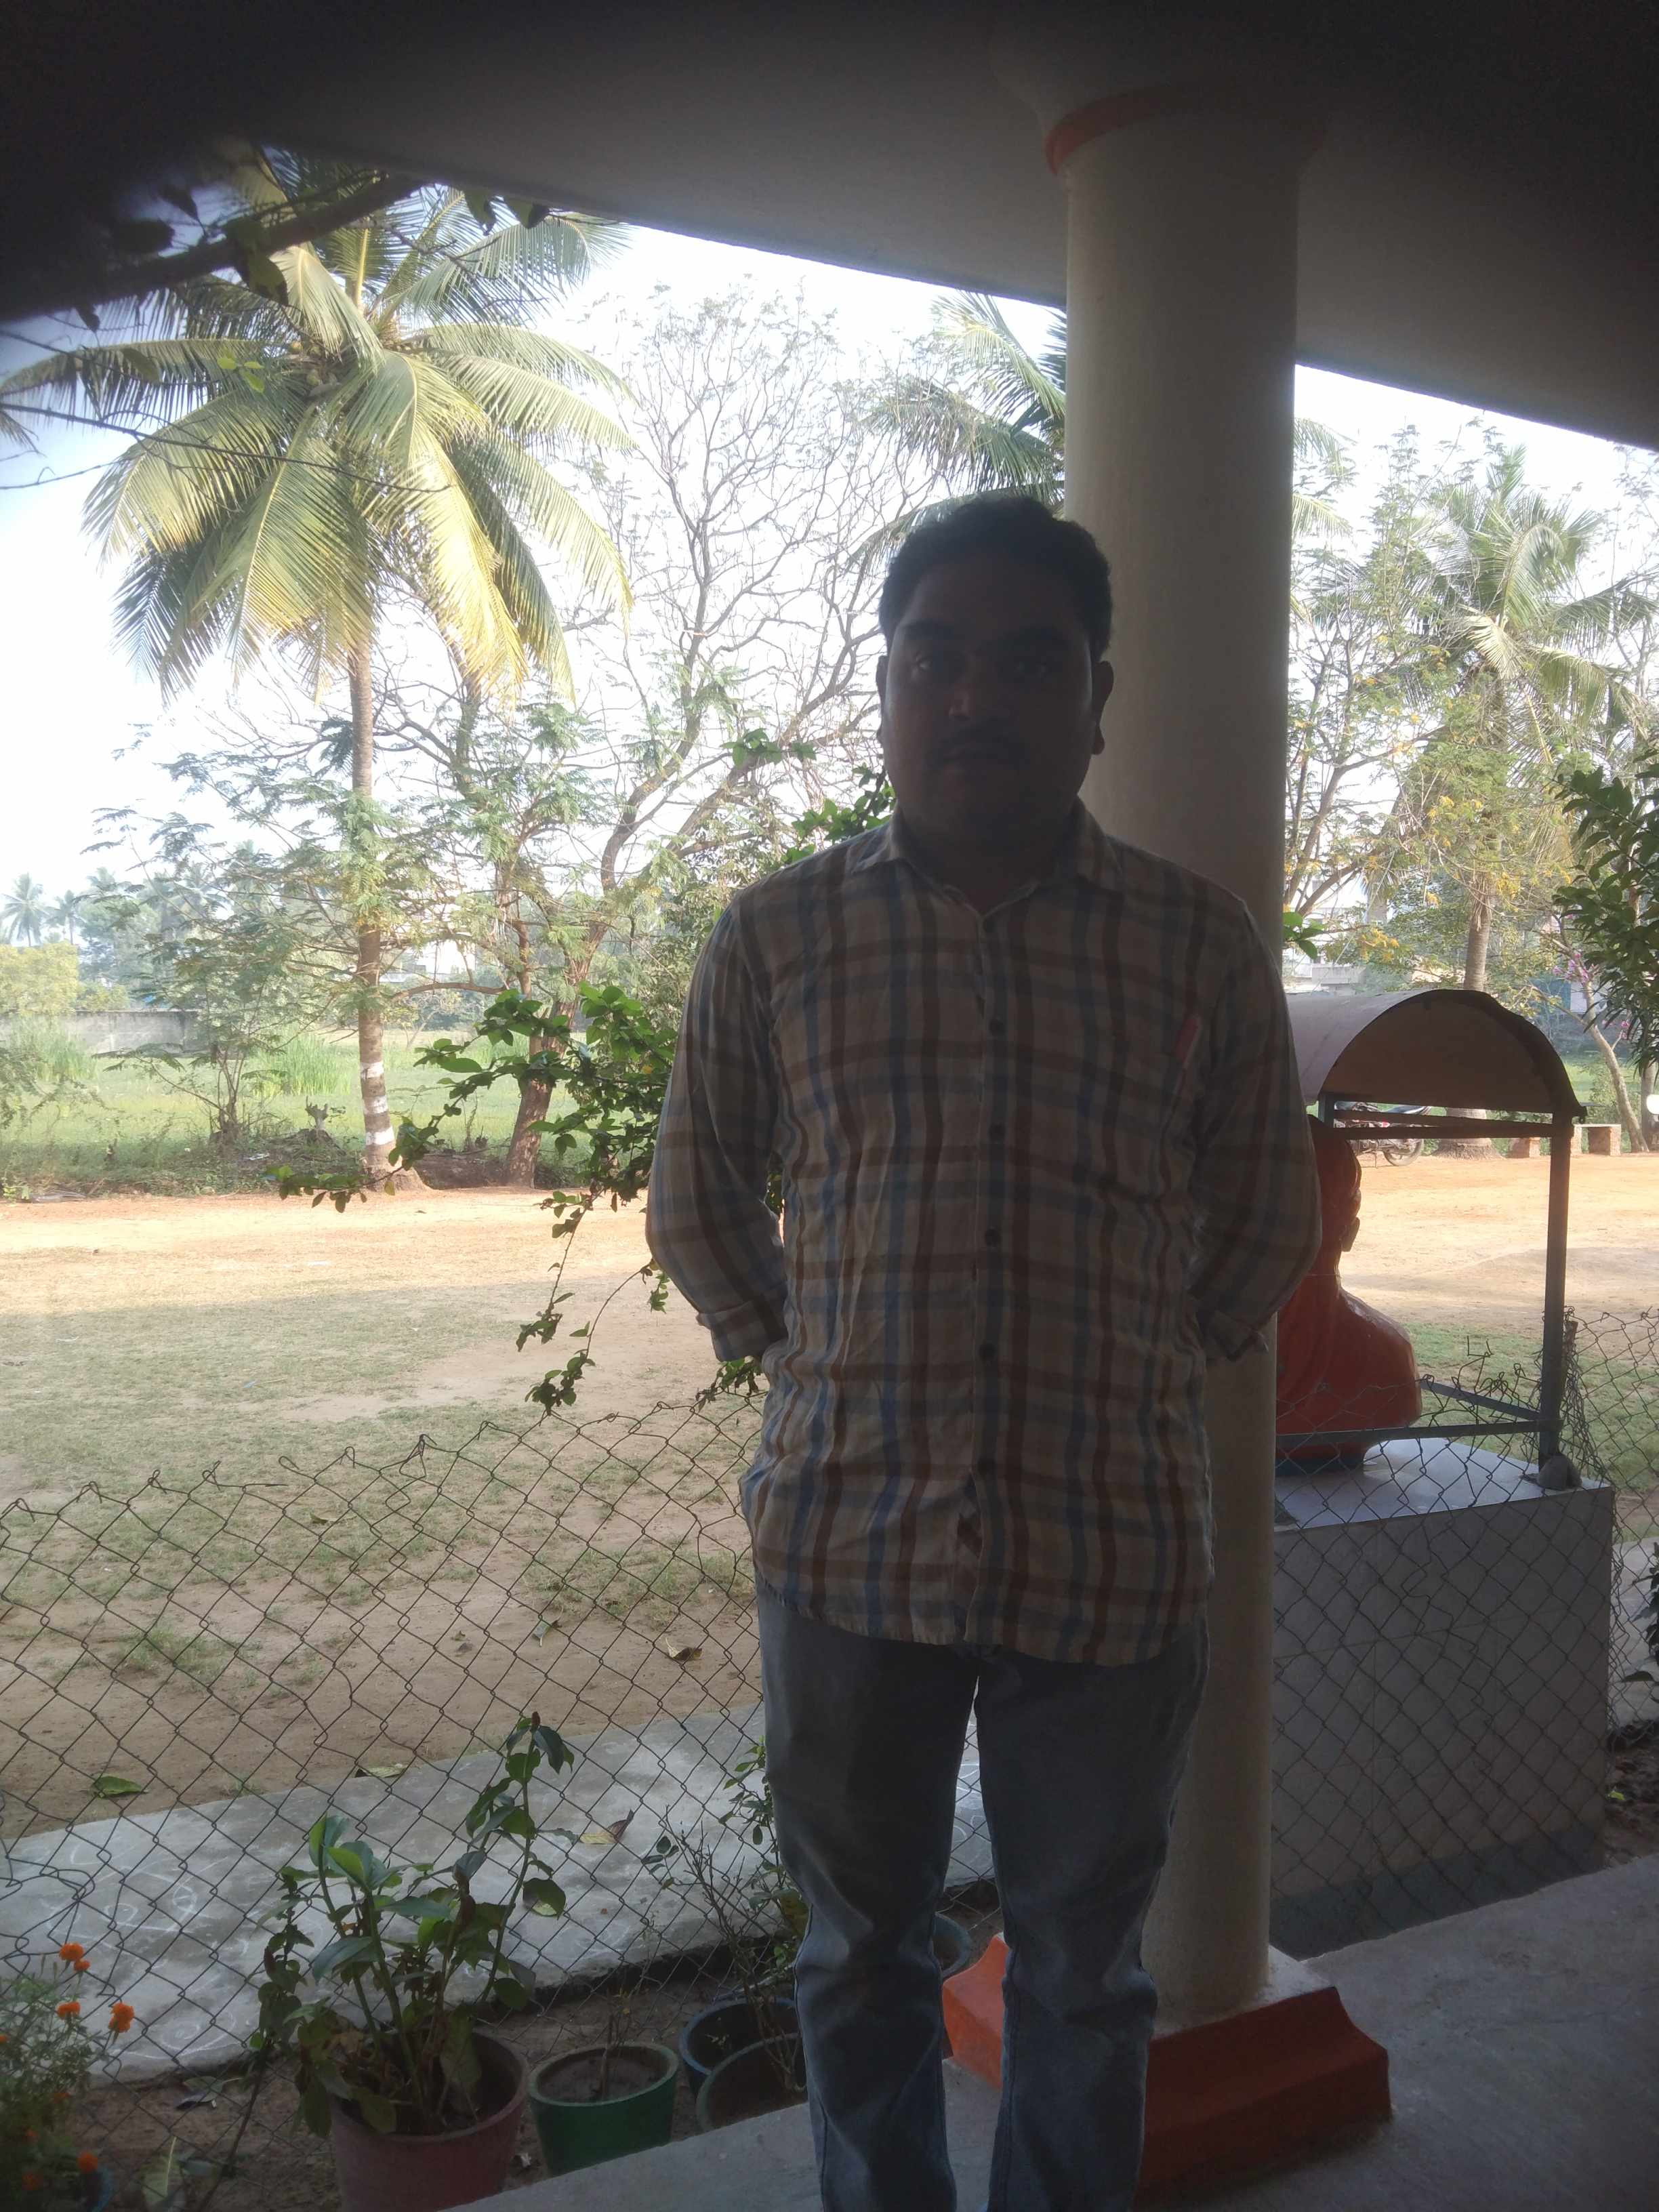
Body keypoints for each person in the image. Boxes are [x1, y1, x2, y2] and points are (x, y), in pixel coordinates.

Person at [647, 493, 1320, 2212]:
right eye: (932, 659)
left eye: (1029, 662)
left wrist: (1135, 1366)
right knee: (858, 1954)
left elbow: (1265, 1218)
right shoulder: (776, 938)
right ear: (884, 691)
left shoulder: (1197, 945)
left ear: (1096, 700)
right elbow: (698, 1201)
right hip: (847, 1545)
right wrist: (817, 1362)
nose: (974, 699)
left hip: (1111, 1553)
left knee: (1085, 1974)